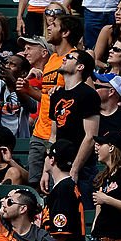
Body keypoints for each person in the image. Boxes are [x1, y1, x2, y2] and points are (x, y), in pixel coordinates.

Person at [25, 15, 78, 188]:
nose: (48, 27)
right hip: (39, 132)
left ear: (65, 32)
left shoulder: (74, 60)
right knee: (33, 185)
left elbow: (84, 95)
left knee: (54, 186)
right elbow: (47, 97)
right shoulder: (52, 60)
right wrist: (28, 89)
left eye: (54, 25)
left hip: (58, 135)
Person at [47, 49, 100, 206]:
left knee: (81, 213)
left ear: (80, 67)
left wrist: (75, 169)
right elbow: (53, 136)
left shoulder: (88, 95)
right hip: (58, 165)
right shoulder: (56, 95)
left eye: (70, 57)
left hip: (82, 168)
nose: (64, 58)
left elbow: (90, 136)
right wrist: (46, 169)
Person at [42, 140, 86, 241]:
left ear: (52, 160)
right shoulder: (67, 186)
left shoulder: (63, 190)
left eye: (47, 156)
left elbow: (60, 235)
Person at [0, 53, 36, 140]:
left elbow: (32, 107)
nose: (7, 67)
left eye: (13, 65)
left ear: (23, 73)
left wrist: (13, 83)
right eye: (7, 63)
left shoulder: (27, 88)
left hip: (19, 142)